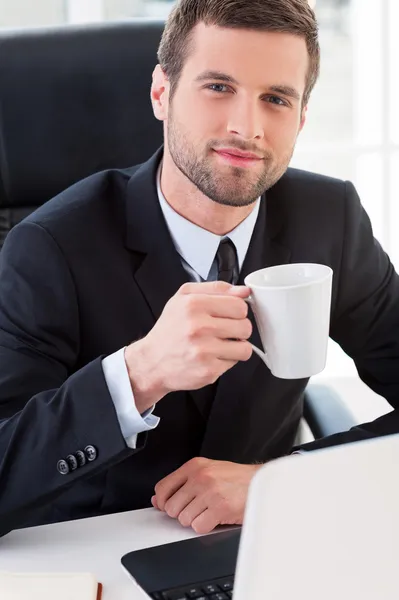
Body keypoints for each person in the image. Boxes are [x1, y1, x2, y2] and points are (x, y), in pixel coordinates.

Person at [1, 0, 399, 538]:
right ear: (161, 93)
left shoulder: (331, 218)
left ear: (301, 118)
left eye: (276, 98)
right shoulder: (48, 247)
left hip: (263, 541)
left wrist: (277, 481)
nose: (246, 127)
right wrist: (137, 375)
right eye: (218, 87)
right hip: (101, 551)